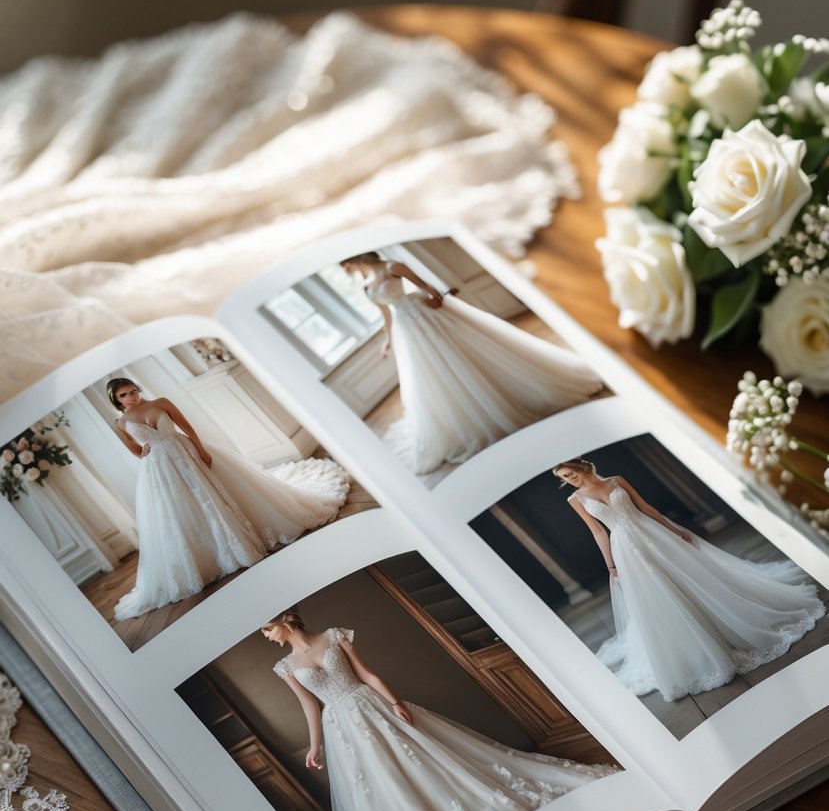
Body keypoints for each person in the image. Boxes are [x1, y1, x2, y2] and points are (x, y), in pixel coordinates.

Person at [262, 611, 616, 811]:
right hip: (341, 727)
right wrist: (315, 746)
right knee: (382, 786)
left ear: (281, 620)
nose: (267, 637)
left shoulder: (334, 635)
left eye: (267, 629)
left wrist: (396, 702)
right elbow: (310, 706)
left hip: (373, 706)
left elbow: (367, 675)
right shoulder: (285, 667)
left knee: (425, 763)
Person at [553, 458, 825, 701]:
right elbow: (598, 532)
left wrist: (672, 530)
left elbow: (645, 507)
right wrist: (611, 565)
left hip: (653, 534)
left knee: (693, 579)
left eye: (569, 474)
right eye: (563, 478)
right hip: (624, 547)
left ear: (579, 466)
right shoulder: (576, 499)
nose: (568, 480)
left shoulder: (616, 481)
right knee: (658, 595)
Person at [107, 378, 349, 619]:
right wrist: (146, 451)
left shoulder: (160, 403)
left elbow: (187, 428)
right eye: (124, 396)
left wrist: (201, 450)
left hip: (185, 451)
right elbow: (136, 450)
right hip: (161, 468)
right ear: (116, 400)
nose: (131, 397)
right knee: (183, 508)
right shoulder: (122, 422)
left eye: (132, 391)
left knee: (215, 492)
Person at [340, 253, 602, 474]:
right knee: (434, 372)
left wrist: (436, 297)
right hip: (406, 327)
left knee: (461, 354)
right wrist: (387, 341)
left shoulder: (391, 266)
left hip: (425, 313)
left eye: (346, 265)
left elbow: (423, 285)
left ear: (353, 259)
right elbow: (386, 314)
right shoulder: (366, 286)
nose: (348, 270)